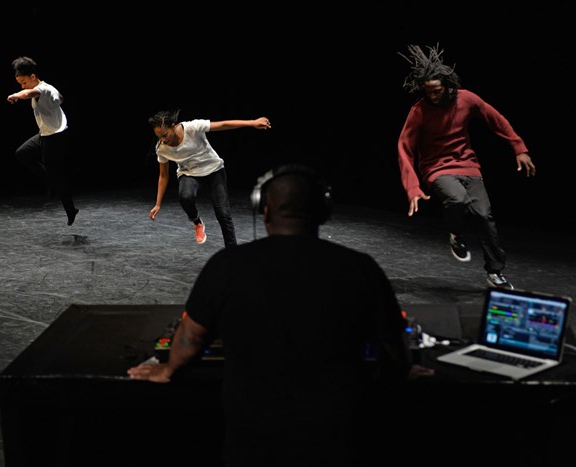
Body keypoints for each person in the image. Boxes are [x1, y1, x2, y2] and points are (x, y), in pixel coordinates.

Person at [128, 164, 427, 466]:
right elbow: (394, 347)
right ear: (323, 211)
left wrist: (168, 369)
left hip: (253, 442)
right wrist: (402, 369)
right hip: (336, 441)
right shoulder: (360, 268)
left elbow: (190, 339)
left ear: (264, 210)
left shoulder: (226, 266)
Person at [397, 44, 536, 290]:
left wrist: (519, 148)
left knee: (484, 215)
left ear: (447, 85)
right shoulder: (419, 111)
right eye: (428, 92)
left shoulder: (467, 99)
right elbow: (404, 146)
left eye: (437, 91)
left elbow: (495, 118)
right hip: (436, 168)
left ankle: (495, 272)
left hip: (468, 165)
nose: (432, 96)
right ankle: (455, 234)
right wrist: (412, 187)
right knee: (457, 198)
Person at [147, 109, 271, 247]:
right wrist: (158, 204)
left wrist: (252, 123)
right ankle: (197, 222)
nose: (163, 140)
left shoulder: (193, 127)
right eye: (159, 137)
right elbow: (163, 175)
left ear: (173, 126)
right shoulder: (162, 149)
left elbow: (223, 125)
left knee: (223, 214)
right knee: (185, 196)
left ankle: (232, 252)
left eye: (165, 135)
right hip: (189, 173)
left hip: (214, 170)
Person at [6, 56, 79, 226]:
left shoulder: (41, 90)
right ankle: (49, 183)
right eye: (20, 84)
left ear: (33, 77)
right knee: (23, 153)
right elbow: (61, 98)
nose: (22, 86)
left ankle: (70, 209)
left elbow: (28, 93)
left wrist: (16, 95)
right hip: (46, 133)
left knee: (56, 175)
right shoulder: (50, 88)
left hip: (54, 137)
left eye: (24, 82)